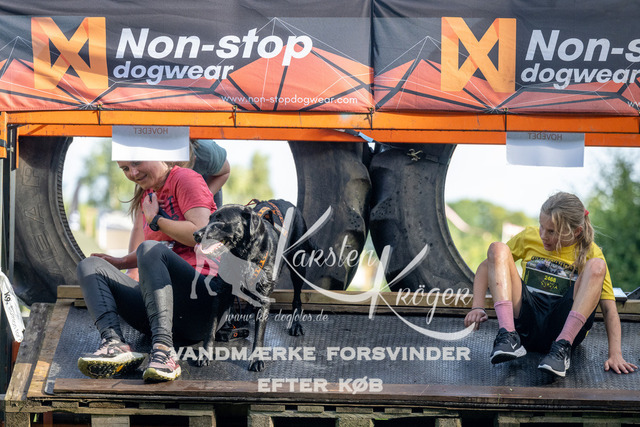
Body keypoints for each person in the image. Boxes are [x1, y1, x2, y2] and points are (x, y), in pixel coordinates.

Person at [76, 159, 225, 382]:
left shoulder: (185, 178)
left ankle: (164, 351)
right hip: (164, 311)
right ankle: (114, 343)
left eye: (136, 163)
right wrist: (121, 262)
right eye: (125, 169)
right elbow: (162, 249)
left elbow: (201, 235)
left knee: (149, 248)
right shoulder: (149, 194)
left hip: (202, 305)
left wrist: (156, 220)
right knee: (90, 267)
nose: (133, 173)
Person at [464, 192, 637, 378]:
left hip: (562, 327)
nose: (543, 235)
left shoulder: (590, 251)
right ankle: (508, 335)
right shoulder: (529, 237)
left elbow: (609, 310)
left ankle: (562, 347)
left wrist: (615, 354)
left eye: (552, 232)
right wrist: (477, 306)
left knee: (597, 266)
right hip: (526, 322)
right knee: (497, 248)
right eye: (541, 226)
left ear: (576, 231)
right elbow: (487, 266)